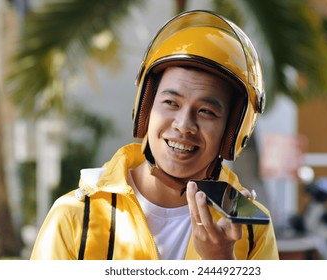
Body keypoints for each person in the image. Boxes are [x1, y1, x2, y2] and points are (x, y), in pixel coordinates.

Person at [30, 10, 279, 260]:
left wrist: (222, 263)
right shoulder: (74, 217)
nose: (184, 125)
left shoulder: (252, 229)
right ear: (145, 109)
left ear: (232, 131)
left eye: (206, 111)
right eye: (171, 102)